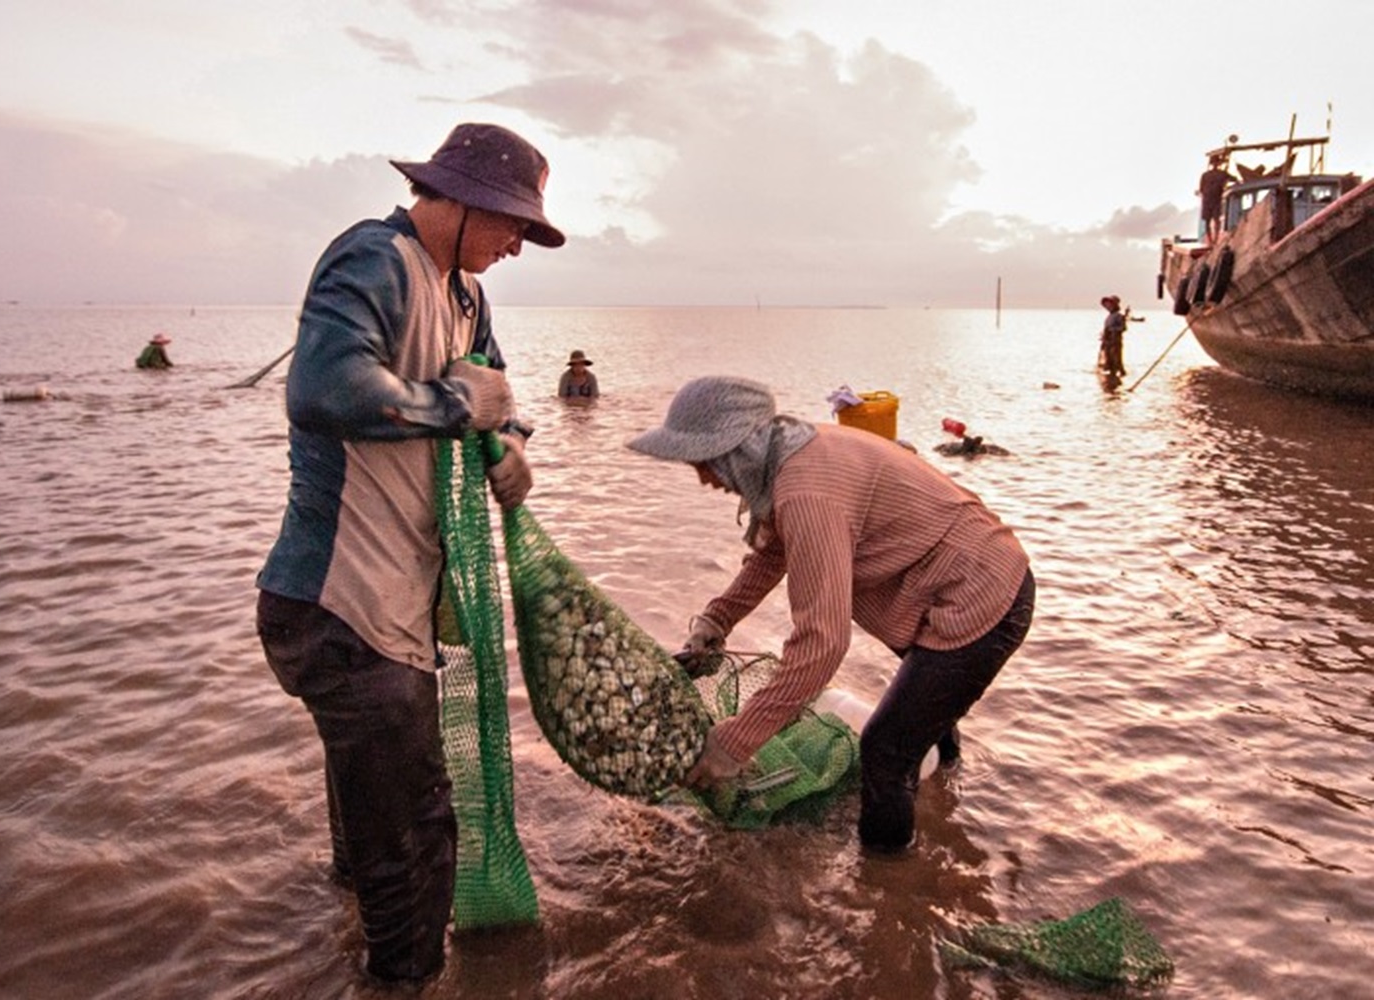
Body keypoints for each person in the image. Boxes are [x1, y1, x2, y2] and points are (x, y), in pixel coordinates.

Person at [253, 122, 562, 984]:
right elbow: (323, 391)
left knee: (368, 827)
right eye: (509, 225)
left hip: (387, 609)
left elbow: (489, 389)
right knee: (418, 830)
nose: (515, 246)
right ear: (454, 201)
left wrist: (511, 439)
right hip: (338, 605)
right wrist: (452, 408)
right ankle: (403, 980)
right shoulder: (373, 259)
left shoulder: (465, 295)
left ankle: (347, 941)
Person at [626, 376, 1034, 852]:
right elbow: (773, 553)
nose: (704, 479)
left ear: (736, 451)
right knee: (922, 714)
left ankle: (890, 893)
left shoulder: (806, 492)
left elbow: (822, 645)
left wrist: (734, 744)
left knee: (884, 751)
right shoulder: (790, 452)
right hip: (943, 587)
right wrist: (717, 620)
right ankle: (945, 796)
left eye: (705, 463)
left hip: (979, 596)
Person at [1197, 152, 1236, 244]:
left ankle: (1214, 240)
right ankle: (1212, 240)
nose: (1215, 164)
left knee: (1215, 220)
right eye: (1214, 163)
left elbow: (1201, 189)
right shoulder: (1209, 175)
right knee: (1209, 221)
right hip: (1210, 200)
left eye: (1216, 163)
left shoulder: (1220, 174)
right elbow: (1201, 188)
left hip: (1213, 200)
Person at [1099, 295, 1127, 377]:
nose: (1107, 307)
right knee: (1109, 362)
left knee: (1117, 361)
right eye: (1106, 305)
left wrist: (1112, 330)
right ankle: (1112, 381)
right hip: (1108, 342)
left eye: (1110, 304)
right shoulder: (1109, 317)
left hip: (1115, 341)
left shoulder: (1118, 316)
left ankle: (1119, 379)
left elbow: (1123, 328)